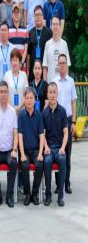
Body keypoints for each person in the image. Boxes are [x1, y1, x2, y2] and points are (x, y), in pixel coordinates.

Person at [0, 81, 18, 208]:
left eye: (5, 92)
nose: (3, 94)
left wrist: (15, 149)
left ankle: (10, 196)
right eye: (1, 92)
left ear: (8, 93)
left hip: (9, 150)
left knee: (14, 163)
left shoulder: (13, 112)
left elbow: (15, 133)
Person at [52, 54, 76, 194]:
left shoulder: (71, 81)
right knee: (57, 151)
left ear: (66, 65)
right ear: (57, 65)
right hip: (56, 120)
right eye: (60, 63)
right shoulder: (54, 81)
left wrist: (73, 121)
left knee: (67, 154)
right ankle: (58, 184)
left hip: (67, 119)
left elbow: (73, 102)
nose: (62, 65)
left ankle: (66, 183)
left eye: (64, 63)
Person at [42, 82, 68, 207]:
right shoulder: (44, 113)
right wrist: (46, 147)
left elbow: (66, 133)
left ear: (57, 94)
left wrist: (63, 148)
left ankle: (60, 196)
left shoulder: (62, 111)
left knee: (62, 160)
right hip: (48, 147)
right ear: (47, 94)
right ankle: (48, 195)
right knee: (47, 161)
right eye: (50, 92)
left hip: (59, 147)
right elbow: (42, 134)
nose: (52, 95)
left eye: (54, 92)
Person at [18, 87, 45, 206]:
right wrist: (22, 154)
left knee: (39, 165)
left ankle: (34, 193)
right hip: (24, 149)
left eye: (31, 98)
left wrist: (40, 153)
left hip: (35, 150)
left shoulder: (39, 115)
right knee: (24, 165)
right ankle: (27, 194)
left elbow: (41, 135)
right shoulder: (21, 115)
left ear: (35, 100)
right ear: (24, 99)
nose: (29, 100)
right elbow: (20, 136)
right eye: (27, 98)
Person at [42, 17, 70, 83]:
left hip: (62, 83)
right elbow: (45, 67)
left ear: (60, 26)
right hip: (50, 83)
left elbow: (67, 65)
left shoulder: (64, 44)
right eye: (53, 24)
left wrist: (67, 82)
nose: (55, 26)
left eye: (57, 24)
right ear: (51, 26)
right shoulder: (47, 44)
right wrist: (45, 84)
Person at [27, 6, 52, 78]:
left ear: (43, 16)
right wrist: (28, 68)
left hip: (45, 69)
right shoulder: (30, 32)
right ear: (34, 17)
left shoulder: (49, 32)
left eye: (40, 14)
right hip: (33, 70)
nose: (38, 17)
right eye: (36, 15)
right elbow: (28, 53)